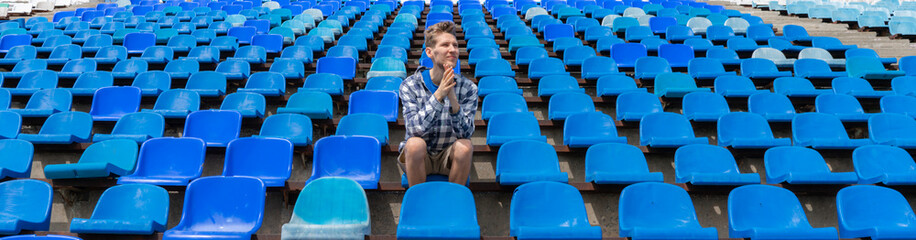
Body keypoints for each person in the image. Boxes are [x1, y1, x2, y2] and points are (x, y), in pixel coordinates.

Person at [398, 21, 478, 187]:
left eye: (455, 45)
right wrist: (439, 95)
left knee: (465, 146)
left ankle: (454, 201)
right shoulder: (410, 85)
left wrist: (453, 100)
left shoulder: (468, 88)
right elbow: (413, 129)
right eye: (445, 45)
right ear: (430, 52)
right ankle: (419, 201)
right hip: (420, 156)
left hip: (448, 157)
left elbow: (467, 133)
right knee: (414, 144)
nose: (453, 50)